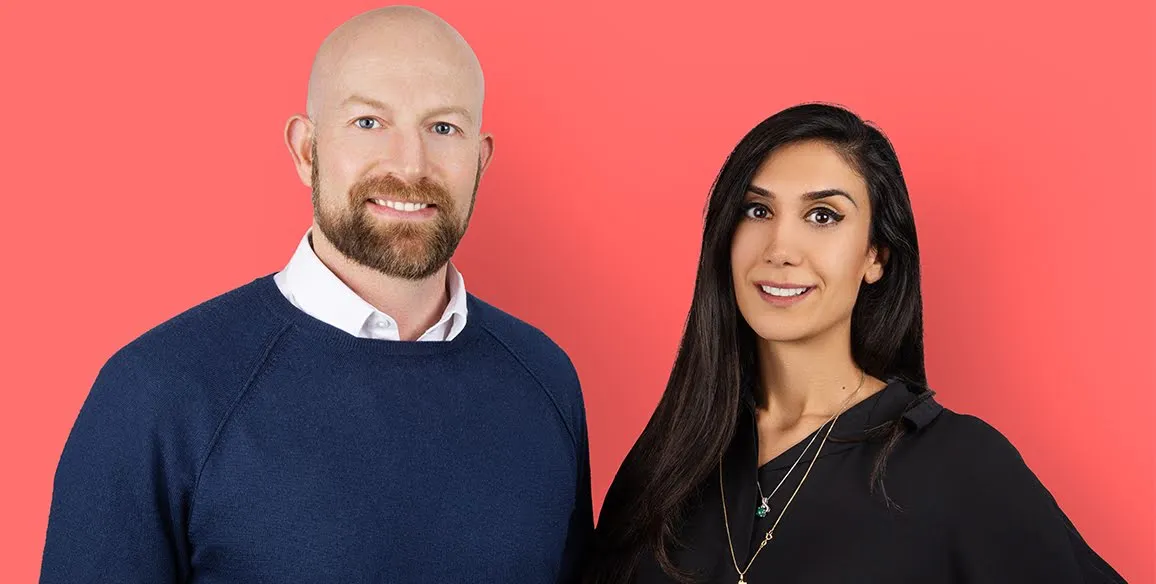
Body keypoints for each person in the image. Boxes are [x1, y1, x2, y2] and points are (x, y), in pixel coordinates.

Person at [41, 6, 592, 582]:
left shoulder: (546, 380)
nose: (410, 164)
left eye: (443, 128)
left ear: (479, 162)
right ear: (307, 150)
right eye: (368, 122)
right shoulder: (157, 393)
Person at [583, 103, 1124, 583]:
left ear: (875, 257)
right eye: (758, 210)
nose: (781, 247)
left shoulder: (960, 467)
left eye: (823, 216)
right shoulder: (668, 463)